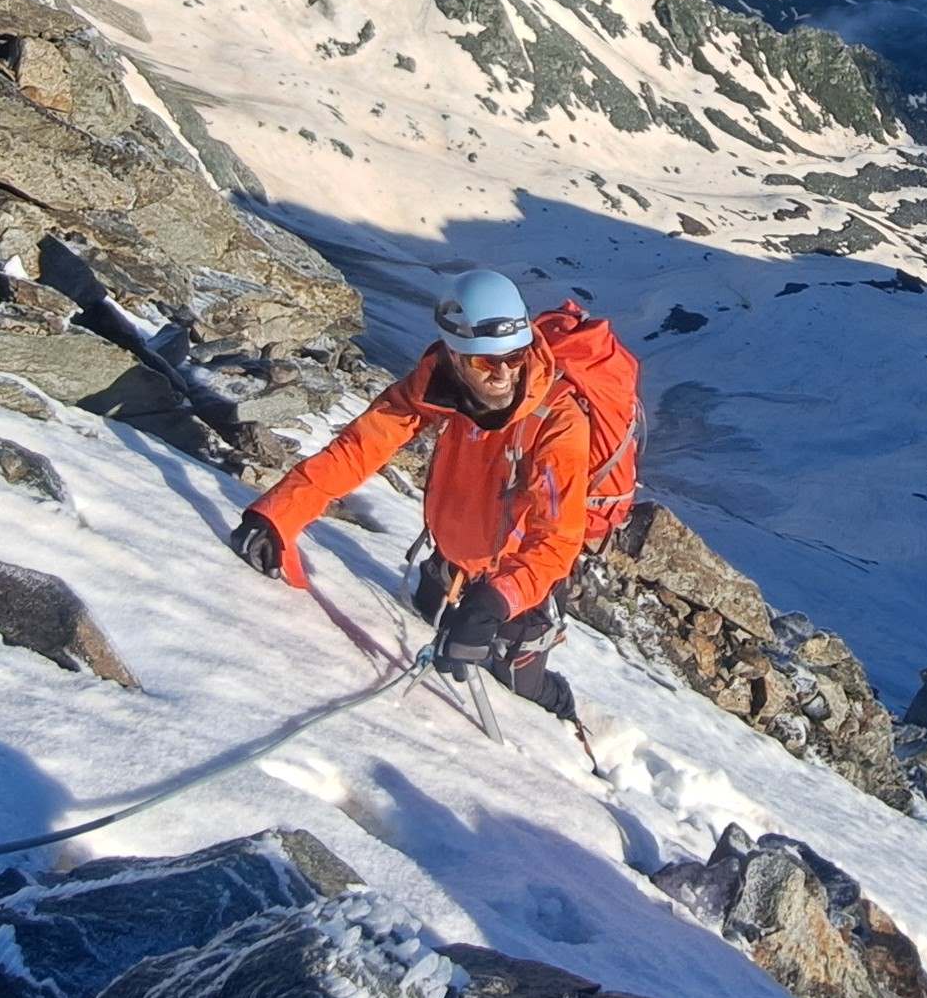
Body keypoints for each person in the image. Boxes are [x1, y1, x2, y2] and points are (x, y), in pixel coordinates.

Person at [228, 269, 640, 723]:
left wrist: (496, 601)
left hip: (520, 584)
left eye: (515, 355)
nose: (504, 373)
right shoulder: (436, 384)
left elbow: (557, 539)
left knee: (520, 686)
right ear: (454, 354)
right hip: (452, 563)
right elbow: (361, 447)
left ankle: (567, 716)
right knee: (433, 625)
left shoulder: (558, 421)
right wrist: (276, 515)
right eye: (485, 362)